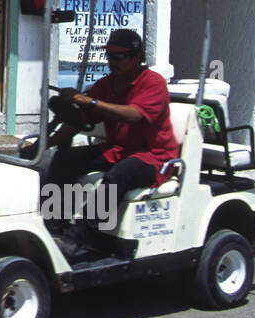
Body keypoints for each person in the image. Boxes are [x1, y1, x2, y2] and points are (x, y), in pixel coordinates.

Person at [46, 28, 180, 236]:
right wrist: (45, 143)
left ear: (136, 57)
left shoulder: (154, 83)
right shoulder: (106, 85)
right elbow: (79, 121)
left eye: (118, 57)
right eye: (109, 56)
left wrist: (89, 101)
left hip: (154, 158)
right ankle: (54, 225)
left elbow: (134, 115)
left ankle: (85, 237)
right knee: (64, 159)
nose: (111, 61)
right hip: (118, 150)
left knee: (119, 174)